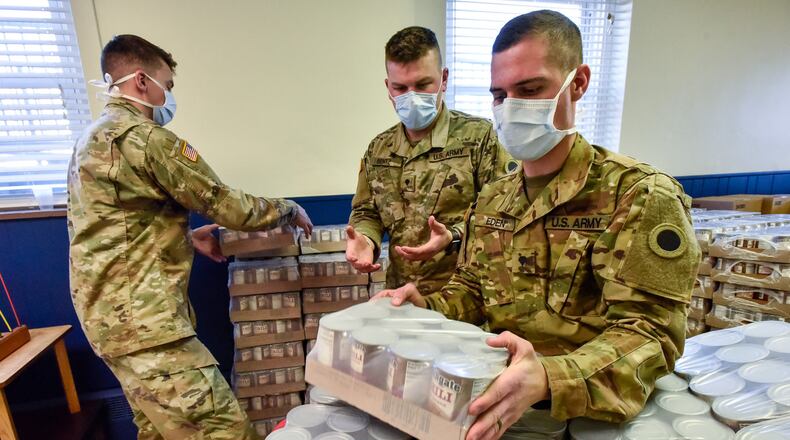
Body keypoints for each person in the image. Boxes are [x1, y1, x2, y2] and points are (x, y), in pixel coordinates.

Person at [374, 11, 700, 440]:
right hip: (497, 408)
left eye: (529, 90)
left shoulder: (639, 196)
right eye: (499, 95)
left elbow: (651, 335)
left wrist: (549, 377)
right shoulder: (493, 199)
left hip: (588, 421)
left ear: (577, 82)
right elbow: (474, 291)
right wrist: (428, 309)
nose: (510, 108)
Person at [67, 34, 312, 440]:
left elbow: (110, 228)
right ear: (142, 80)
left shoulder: (90, 140)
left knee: (162, 431)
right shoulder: (146, 140)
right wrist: (287, 208)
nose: (170, 95)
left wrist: (183, 238)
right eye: (168, 84)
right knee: (225, 431)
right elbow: (226, 205)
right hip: (149, 330)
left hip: (108, 324)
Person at [346, 26, 517, 295]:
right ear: (387, 87)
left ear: (443, 79)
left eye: (423, 85)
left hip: (466, 297)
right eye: (400, 87)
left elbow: (503, 213)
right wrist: (367, 239)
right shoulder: (379, 149)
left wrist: (454, 234)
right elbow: (367, 211)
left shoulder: (479, 138)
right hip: (402, 297)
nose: (411, 96)